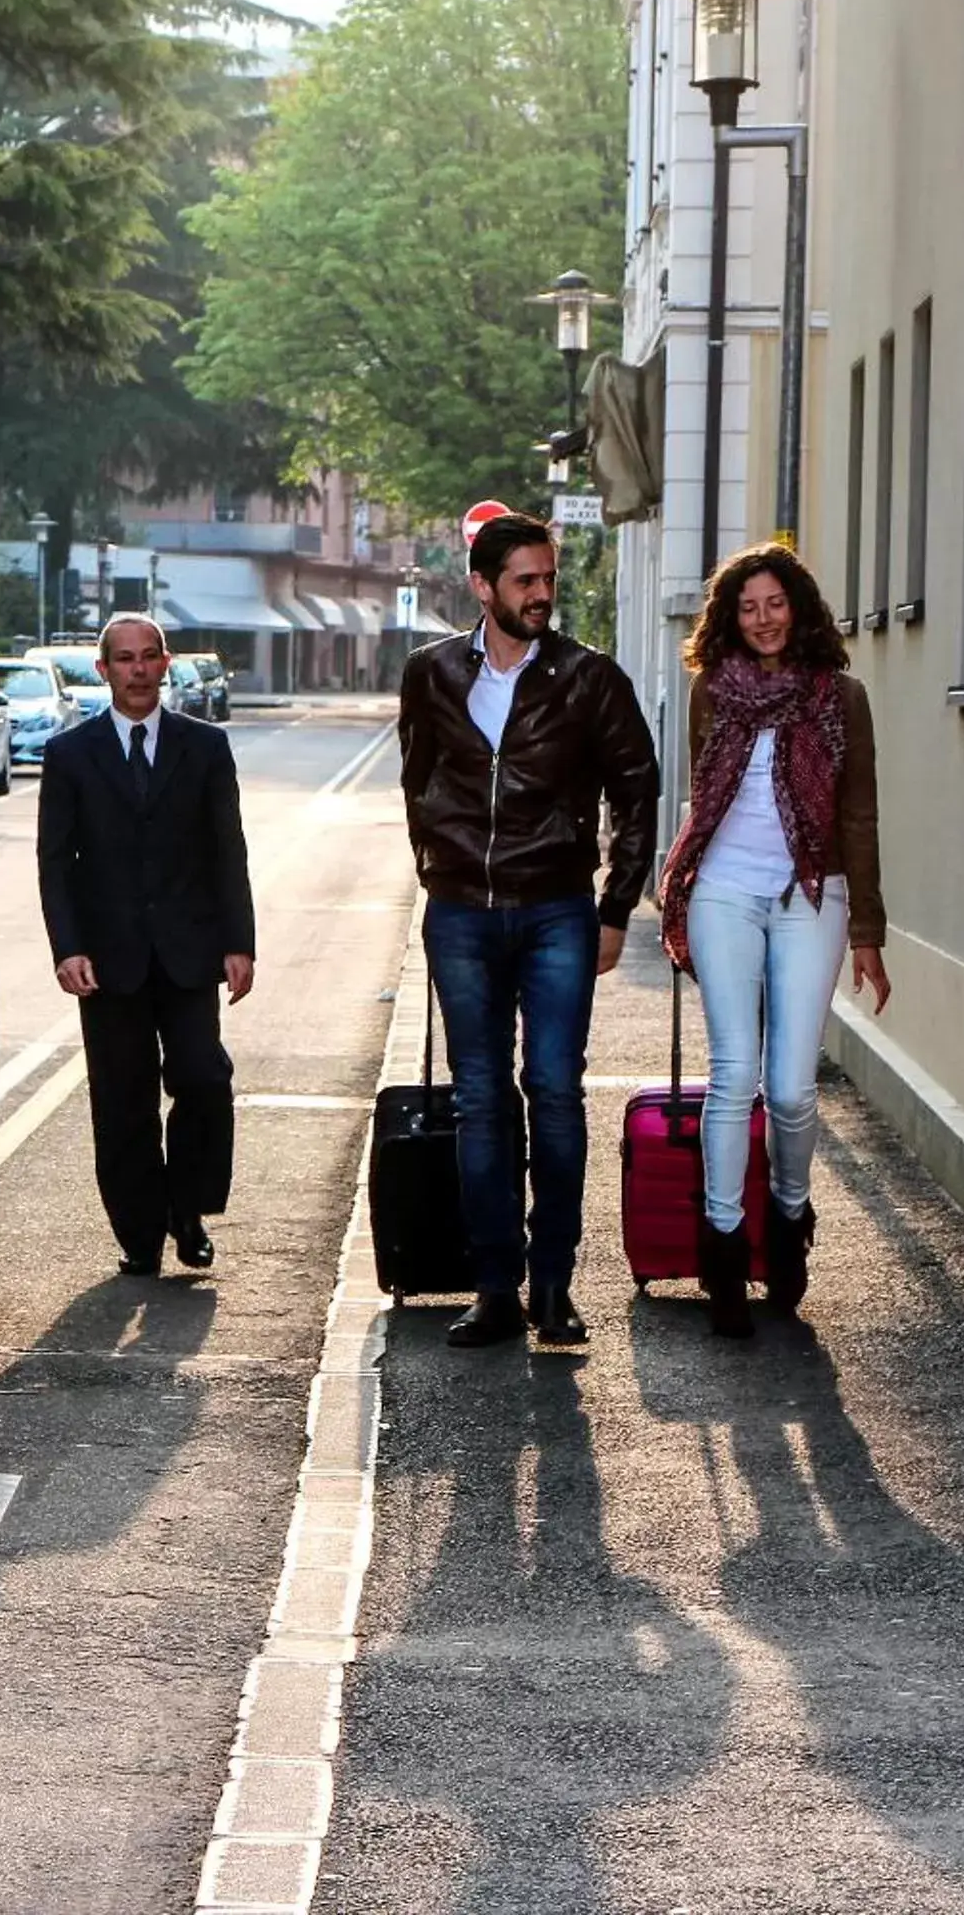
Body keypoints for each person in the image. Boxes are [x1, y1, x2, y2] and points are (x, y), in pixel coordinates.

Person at [398, 512, 660, 1349]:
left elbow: (637, 790)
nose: (542, 593)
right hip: (463, 917)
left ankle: (553, 1285)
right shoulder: (432, 673)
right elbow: (418, 778)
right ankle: (492, 1287)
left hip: (557, 912)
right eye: (525, 581)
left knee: (553, 1091)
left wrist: (615, 904)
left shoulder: (590, 679)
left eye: (548, 579)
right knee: (481, 1099)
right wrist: (437, 865)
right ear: (483, 587)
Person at [658, 543, 889, 1339]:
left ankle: (788, 1216)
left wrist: (868, 931)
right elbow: (704, 792)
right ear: (731, 616)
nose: (762, 619)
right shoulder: (710, 693)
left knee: (791, 1088)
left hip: (811, 894)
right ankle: (724, 1249)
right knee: (734, 1075)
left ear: (800, 610)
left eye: (775, 604)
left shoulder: (840, 697)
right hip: (724, 887)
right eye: (747, 606)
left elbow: (858, 814)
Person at [37, 613, 256, 1275]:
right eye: (124, 659)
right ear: (103, 671)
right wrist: (67, 947)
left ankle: (186, 1209)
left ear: (166, 664)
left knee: (203, 1077)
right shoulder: (70, 755)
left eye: (148, 656)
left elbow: (228, 851)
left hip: (189, 953)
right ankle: (139, 1233)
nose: (137, 669)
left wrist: (239, 942)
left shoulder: (206, 747)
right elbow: (56, 860)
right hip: (107, 960)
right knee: (122, 1099)